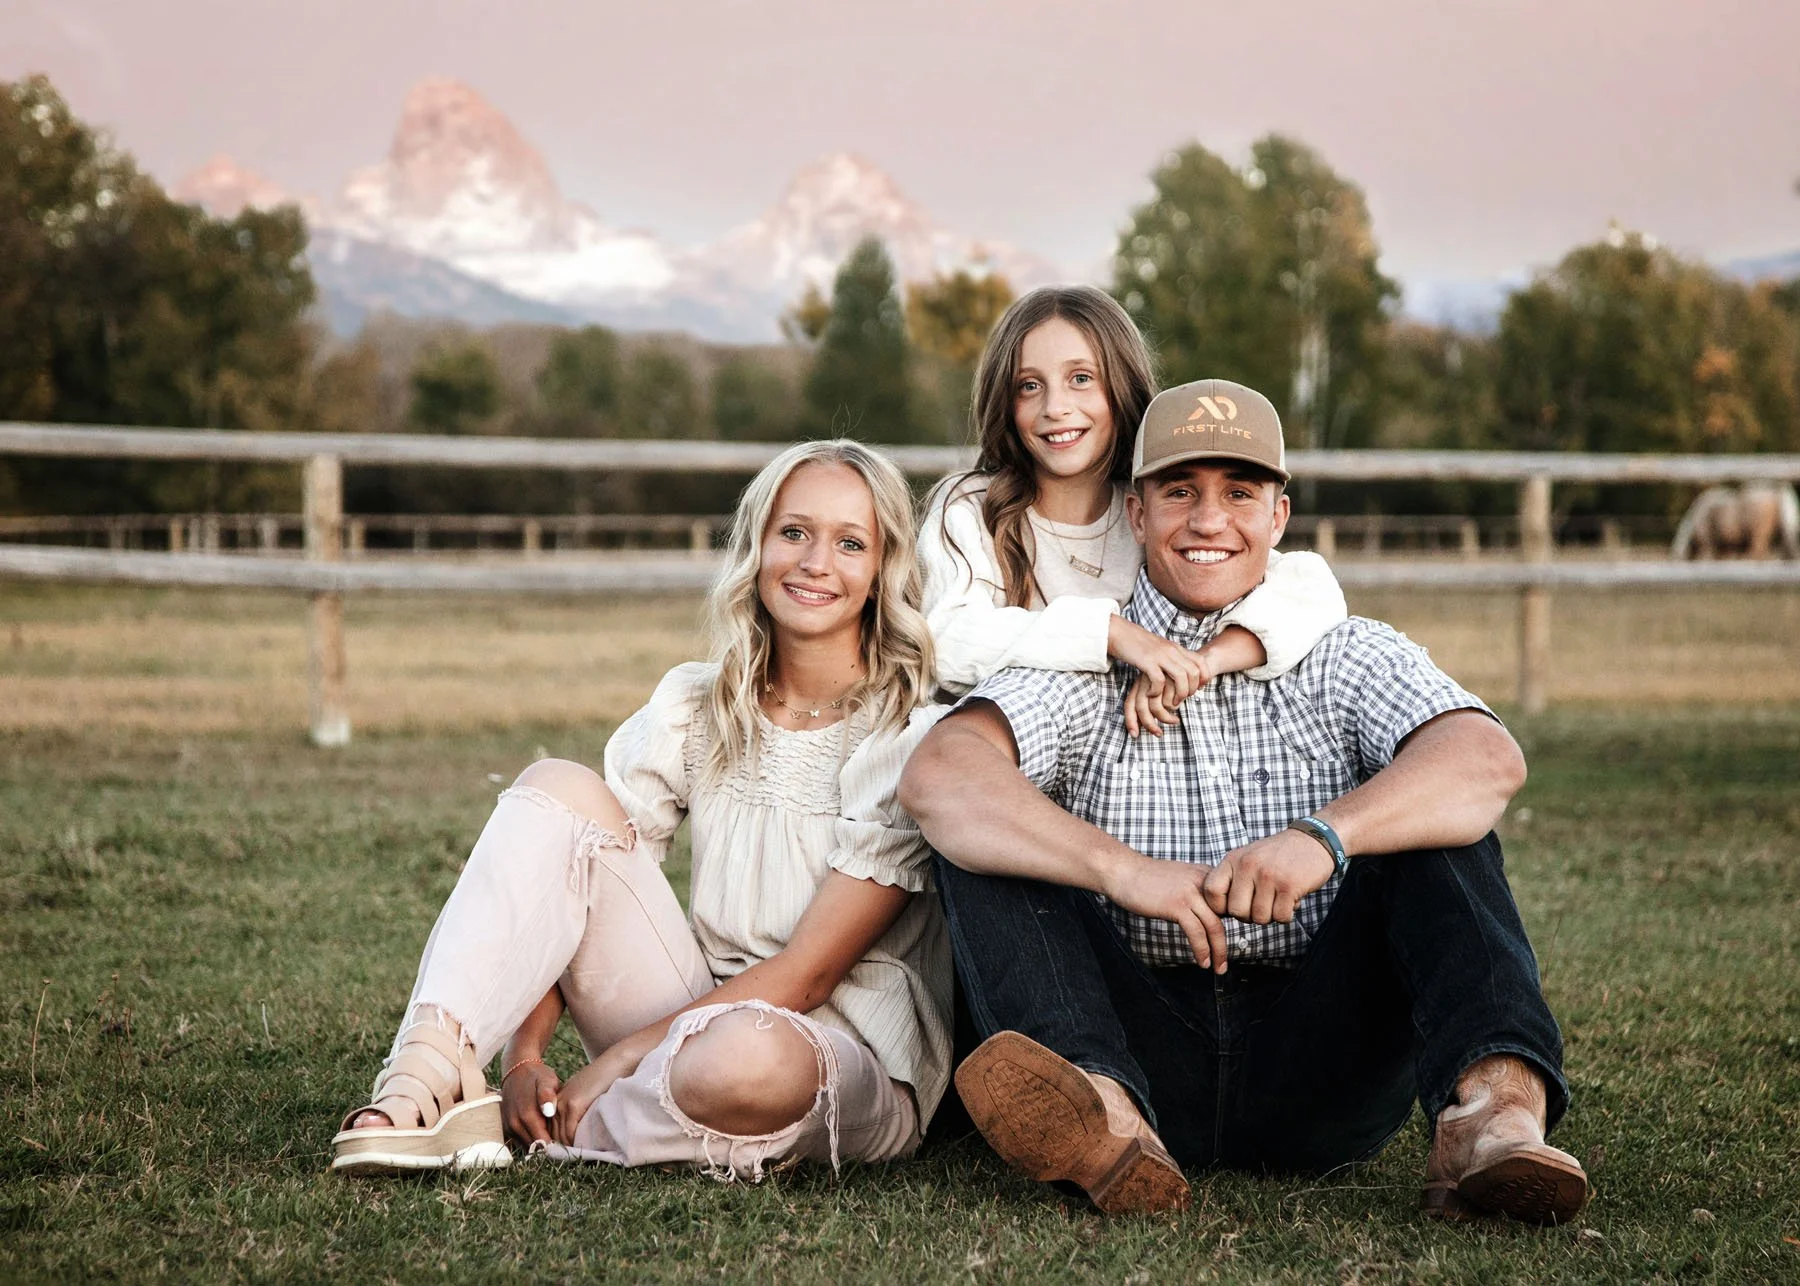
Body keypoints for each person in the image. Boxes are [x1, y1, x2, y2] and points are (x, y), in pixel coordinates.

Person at [900, 378, 1588, 1224]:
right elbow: (940, 773)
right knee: (988, 835)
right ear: (1135, 514)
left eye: (1240, 493)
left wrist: (1323, 838)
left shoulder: (1343, 652)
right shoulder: (1080, 658)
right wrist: (1123, 871)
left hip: (1321, 1058)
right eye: (1180, 492)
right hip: (1136, 1041)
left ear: (1278, 517)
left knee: (1438, 822)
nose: (1208, 520)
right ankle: (1102, 1116)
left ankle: (1494, 1117)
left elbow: (1485, 759)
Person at [333, 439, 952, 1182]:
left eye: (851, 543)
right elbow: (572, 877)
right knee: (559, 788)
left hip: (833, 1053)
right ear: (755, 546)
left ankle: (573, 1126)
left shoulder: (906, 732)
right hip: (690, 1015)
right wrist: (526, 1055)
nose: (816, 562)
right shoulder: (700, 703)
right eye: (794, 532)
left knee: (749, 1056)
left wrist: (621, 1057)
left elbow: (807, 978)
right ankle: (423, 1087)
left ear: (883, 571)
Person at [919, 285, 1345, 725]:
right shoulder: (972, 509)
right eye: (1029, 386)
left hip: (1130, 741)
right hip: (998, 743)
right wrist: (1113, 634)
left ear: (1120, 385)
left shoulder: (1158, 508)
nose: (1056, 407)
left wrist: (1207, 660)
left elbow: (1312, 593)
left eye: (1080, 379)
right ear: (1005, 404)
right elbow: (944, 642)